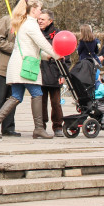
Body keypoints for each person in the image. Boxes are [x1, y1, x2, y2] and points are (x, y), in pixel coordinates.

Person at [0, 0, 61, 139]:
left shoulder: (23, 23)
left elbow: (30, 47)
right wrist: (56, 54)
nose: (41, 11)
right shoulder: (31, 24)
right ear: (33, 10)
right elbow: (42, 43)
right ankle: (39, 128)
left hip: (18, 65)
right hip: (26, 67)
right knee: (37, 93)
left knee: (16, 96)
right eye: (39, 9)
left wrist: (47, 56)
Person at [0, 13, 19, 137]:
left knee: (12, 98)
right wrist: (15, 48)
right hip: (1, 67)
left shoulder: (25, 25)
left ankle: (8, 127)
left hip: (15, 68)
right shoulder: (6, 20)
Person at [37, 9, 65, 138]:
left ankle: (58, 126)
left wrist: (62, 74)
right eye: (39, 19)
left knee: (56, 103)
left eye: (43, 19)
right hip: (39, 73)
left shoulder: (58, 35)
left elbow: (65, 56)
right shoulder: (36, 33)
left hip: (54, 73)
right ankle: (41, 126)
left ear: (50, 21)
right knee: (40, 103)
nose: (40, 21)